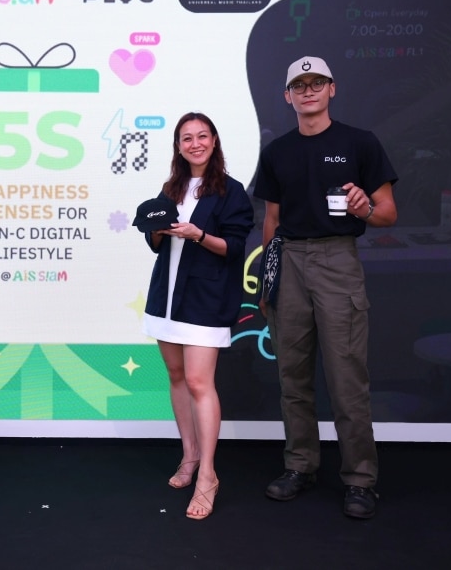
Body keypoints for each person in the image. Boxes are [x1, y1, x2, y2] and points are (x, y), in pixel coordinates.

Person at [254, 56, 398, 519]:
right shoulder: (277, 152)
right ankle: (300, 466)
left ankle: (360, 479)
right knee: (292, 378)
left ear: (332, 88)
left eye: (317, 82)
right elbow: (271, 220)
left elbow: (387, 213)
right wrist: (268, 281)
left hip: (338, 259)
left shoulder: (360, 142)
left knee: (346, 379)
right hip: (290, 261)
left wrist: (363, 208)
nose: (309, 90)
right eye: (300, 85)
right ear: (288, 96)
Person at [141, 112, 254, 520]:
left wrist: (199, 235)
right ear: (178, 146)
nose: (195, 143)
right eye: (186, 138)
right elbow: (156, 243)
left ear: (214, 140)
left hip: (205, 299)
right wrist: (156, 231)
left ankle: (208, 474)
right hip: (166, 297)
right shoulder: (170, 187)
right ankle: (188, 457)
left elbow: (234, 248)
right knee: (176, 377)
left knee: (198, 382)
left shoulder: (231, 191)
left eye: (202, 136)